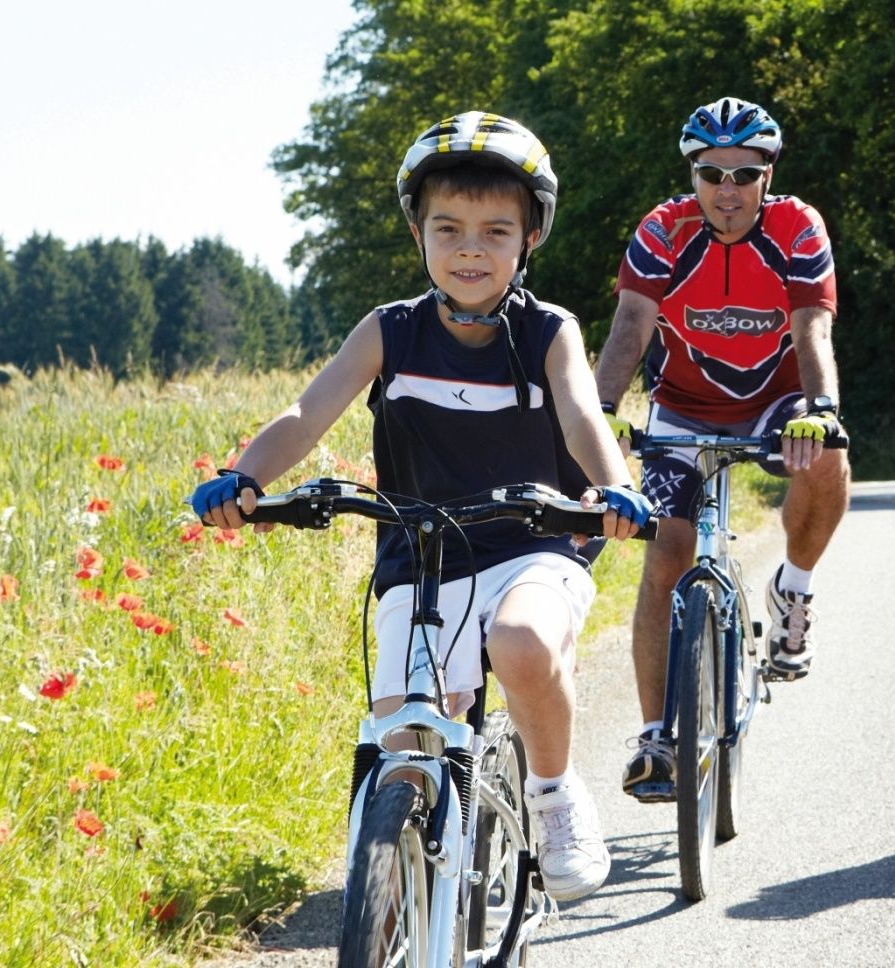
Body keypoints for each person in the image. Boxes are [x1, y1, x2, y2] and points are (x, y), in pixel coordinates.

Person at [186, 111, 653, 903]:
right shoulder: (389, 332)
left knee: (522, 644)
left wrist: (615, 491)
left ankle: (552, 792)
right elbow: (307, 416)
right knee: (404, 739)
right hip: (422, 555)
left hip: (535, 542)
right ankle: (401, 893)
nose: (471, 248)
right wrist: (244, 478)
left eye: (495, 230)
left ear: (528, 238)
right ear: (419, 235)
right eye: (449, 228)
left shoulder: (548, 331)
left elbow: (581, 417)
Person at [592, 96, 850, 802]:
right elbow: (629, 327)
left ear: (769, 175)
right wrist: (601, 412)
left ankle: (793, 587)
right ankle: (655, 737)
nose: (727, 191)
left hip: (777, 402)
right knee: (667, 553)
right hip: (682, 405)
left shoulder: (798, 227)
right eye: (712, 174)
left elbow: (812, 331)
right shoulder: (663, 231)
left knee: (827, 453)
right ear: (693, 174)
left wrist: (821, 411)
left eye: (745, 174)